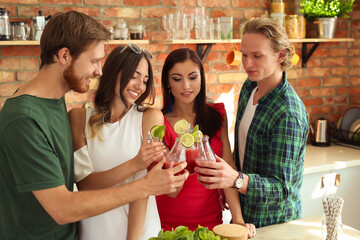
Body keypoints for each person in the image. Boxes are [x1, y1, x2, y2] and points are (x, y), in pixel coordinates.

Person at [0, 11, 188, 240]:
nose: (99, 70)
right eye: (94, 61)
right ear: (64, 56)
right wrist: (144, 185)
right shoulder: (24, 119)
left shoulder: (54, 102)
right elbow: (63, 207)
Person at [195, 17, 309, 228]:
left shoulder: (288, 113)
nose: (247, 63)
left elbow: (283, 189)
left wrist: (236, 180)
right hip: (245, 217)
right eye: (244, 54)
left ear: (280, 55)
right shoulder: (250, 86)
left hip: (274, 223)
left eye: (257, 56)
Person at [156, 48, 256, 238]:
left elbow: (227, 168)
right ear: (167, 82)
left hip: (211, 222)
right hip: (168, 224)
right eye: (177, 79)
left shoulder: (217, 114)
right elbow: (167, 187)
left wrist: (238, 220)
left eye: (193, 77)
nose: (186, 85)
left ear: (201, 78)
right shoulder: (158, 122)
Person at [68, 44, 164, 240]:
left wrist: (133, 239)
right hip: (95, 229)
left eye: (145, 80)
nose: (140, 86)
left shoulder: (150, 118)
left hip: (140, 231)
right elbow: (85, 184)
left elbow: (143, 188)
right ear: (113, 72)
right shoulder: (78, 118)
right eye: (134, 76)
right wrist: (135, 163)